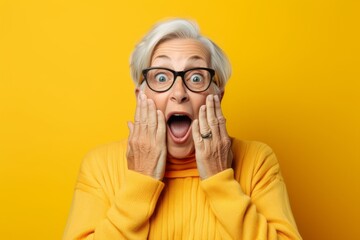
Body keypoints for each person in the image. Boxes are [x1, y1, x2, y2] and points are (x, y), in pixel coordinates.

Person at [63, 18, 302, 240]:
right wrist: (141, 182)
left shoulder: (256, 161)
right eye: (161, 77)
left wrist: (220, 180)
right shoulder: (100, 166)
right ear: (141, 96)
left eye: (196, 78)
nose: (179, 93)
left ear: (217, 96)